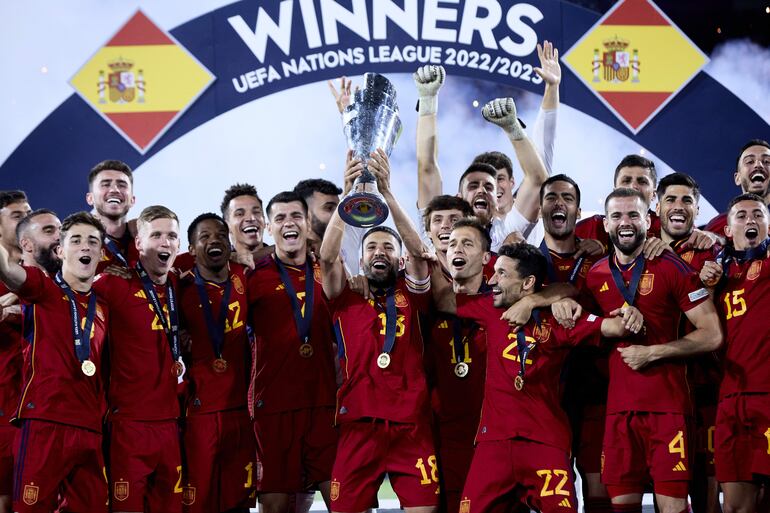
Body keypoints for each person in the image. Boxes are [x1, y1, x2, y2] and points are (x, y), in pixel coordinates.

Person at [431, 241, 636, 513]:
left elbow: (615, 327)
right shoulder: (488, 308)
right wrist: (428, 259)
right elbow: (443, 299)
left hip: (544, 441)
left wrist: (629, 313)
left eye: (502, 274)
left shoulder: (560, 318)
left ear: (528, 283)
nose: (492, 279)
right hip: (494, 443)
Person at [583, 188, 723, 513]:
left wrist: (654, 353)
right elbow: (580, 328)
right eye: (617, 216)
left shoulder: (671, 267)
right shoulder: (595, 276)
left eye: (633, 214)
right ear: (605, 224)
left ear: (648, 220)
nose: (625, 222)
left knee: (673, 508)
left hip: (668, 410)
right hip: (618, 413)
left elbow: (712, 333)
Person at [320, 149, 437, 513]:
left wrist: (386, 194)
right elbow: (326, 258)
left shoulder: (413, 294)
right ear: (361, 257)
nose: (379, 252)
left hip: (411, 426)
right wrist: (347, 199)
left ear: (397, 258)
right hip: (359, 425)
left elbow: (420, 254)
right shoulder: (345, 295)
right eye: (371, 246)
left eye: (388, 246)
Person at [0, 212, 109, 513]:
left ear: (101, 253)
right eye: (75, 240)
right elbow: (8, 269)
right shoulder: (44, 290)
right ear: (60, 251)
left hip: (89, 428)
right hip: (44, 423)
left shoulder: (105, 305)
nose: (84, 247)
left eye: (92, 242)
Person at [249, 191, 338, 513]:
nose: (289, 223)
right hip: (275, 408)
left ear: (308, 224)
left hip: (325, 405)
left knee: (348, 503)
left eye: (296, 216)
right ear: (269, 229)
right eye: (280, 218)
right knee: (274, 506)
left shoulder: (330, 272)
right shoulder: (252, 277)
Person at [93, 205, 184, 513]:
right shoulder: (112, 283)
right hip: (127, 425)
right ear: (139, 243)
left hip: (170, 423)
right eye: (155, 235)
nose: (165, 242)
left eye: (172, 236)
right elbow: (65, 289)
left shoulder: (177, 283)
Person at [412, 62, 549, 250]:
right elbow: (427, 167)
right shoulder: (438, 230)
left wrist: (513, 129)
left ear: (496, 202)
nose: (482, 191)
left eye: (488, 187)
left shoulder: (504, 234)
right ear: (459, 197)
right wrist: (427, 100)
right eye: (474, 185)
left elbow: (537, 180)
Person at [178, 213, 256, 513]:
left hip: (239, 411)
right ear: (192, 248)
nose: (214, 240)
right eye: (205, 236)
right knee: (199, 502)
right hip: (199, 413)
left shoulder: (244, 275)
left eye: (221, 235)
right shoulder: (178, 285)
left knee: (239, 503)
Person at [656, 173, 723, 513]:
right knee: (670, 495)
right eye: (671, 199)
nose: (678, 207)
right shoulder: (641, 250)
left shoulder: (715, 250)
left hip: (707, 388)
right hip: (662, 391)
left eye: (686, 201)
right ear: (657, 206)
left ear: (697, 209)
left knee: (708, 491)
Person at [705, 194, 770, 513]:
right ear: (728, 229)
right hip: (730, 400)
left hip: (769, 398)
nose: (750, 220)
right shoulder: (714, 277)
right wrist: (708, 287)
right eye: (742, 216)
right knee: (734, 507)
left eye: (758, 214)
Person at [423, 218, 491, 513]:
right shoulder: (428, 308)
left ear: (486, 257)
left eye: (467, 243)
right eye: (451, 244)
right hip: (447, 436)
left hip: (493, 434)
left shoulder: (507, 303)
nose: (457, 249)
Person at [0, 191, 32, 513]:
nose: (25, 217)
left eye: (29, 211)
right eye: (15, 214)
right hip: (2, 406)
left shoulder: (47, 271)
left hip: (40, 406)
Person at [704, 139, 770, 236]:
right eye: (750, 161)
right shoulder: (718, 226)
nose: (758, 165)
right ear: (737, 178)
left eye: (767, 161)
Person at [85, 160, 138, 271]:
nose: (114, 190)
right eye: (105, 184)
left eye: (122, 185)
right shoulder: (75, 244)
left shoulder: (145, 241)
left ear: (132, 200)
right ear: (90, 198)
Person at [220, 183, 273, 268]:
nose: (251, 218)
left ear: (264, 220)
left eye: (256, 212)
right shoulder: (217, 266)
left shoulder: (286, 259)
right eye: (240, 214)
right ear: (227, 226)